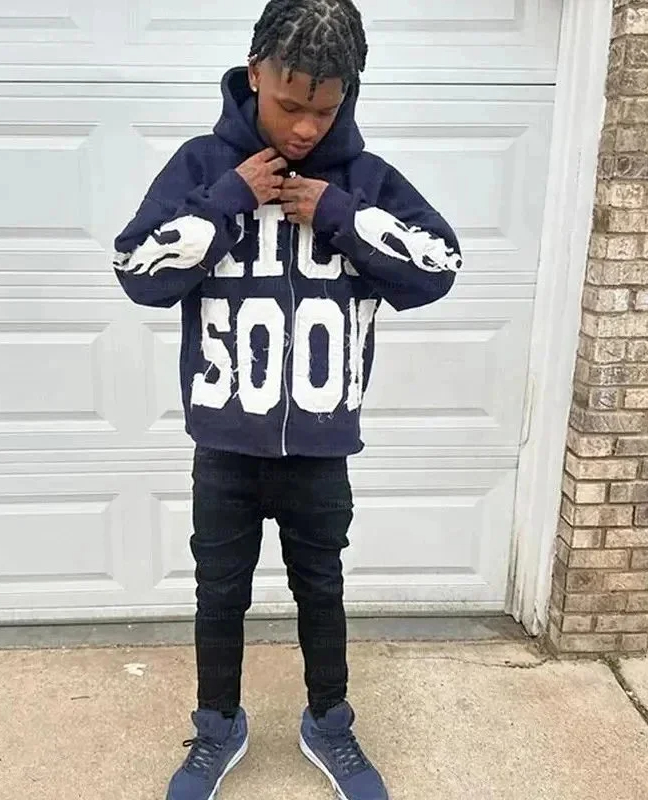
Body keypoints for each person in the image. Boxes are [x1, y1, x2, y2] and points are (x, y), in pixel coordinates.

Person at [113, 1, 461, 797]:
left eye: (325, 110)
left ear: (348, 96)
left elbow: (438, 266)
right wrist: (227, 201)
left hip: (321, 449)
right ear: (254, 74)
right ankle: (218, 726)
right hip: (224, 447)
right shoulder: (203, 165)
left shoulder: (365, 181)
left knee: (322, 588)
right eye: (289, 103)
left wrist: (340, 213)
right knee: (218, 593)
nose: (305, 128)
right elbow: (137, 270)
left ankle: (328, 721)